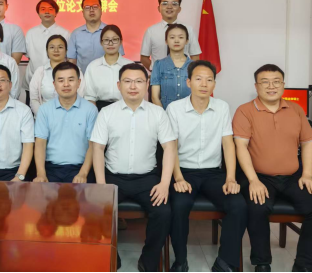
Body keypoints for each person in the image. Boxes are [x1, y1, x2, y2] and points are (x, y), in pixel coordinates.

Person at [233, 64, 312, 273]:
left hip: (293, 176)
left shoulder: (296, 110)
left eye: (276, 82)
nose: (271, 86)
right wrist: (253, 180)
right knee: (257, 207)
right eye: (265, 82)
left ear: (283, 85)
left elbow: (308, 144)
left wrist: (307, 175)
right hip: (259, 176)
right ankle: (262, 263)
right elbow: (240, 147)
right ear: (256, 86)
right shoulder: (244, 111)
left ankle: (304, 265)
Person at [91, 63, 177, 272]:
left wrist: (164, 183)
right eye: (127, 81)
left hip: (147, 179)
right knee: (96, 210)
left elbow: (169, 148)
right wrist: (102, 186)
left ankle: (149, 259)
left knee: (163, 212)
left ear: (147, 85)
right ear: (118, 85)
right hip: (113, 178)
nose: (133, 86)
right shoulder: (106, 113)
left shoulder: (158, 113)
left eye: (139, 81)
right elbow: (98, 149)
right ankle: (112, 257)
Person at [167, 61, 247, 273]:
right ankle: (180, 261)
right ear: (188, 82)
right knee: (178, 205)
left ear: (214, 84)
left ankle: (225, 262)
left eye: (209, 80)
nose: (204, 84)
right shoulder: (175, 109)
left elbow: (228, 144)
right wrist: (178, 178)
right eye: (198, 79)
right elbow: (171, 147)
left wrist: (231, 178)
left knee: (238, 205)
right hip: (184, 172)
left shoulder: (222, 107)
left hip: (213, 173)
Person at [34, 62, 98, 184]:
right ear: (54, 84)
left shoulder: (90, 109)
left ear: (79, 83)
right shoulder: (44, 109)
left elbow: (93, 145)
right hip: (51, 168)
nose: (66, 84)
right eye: (61, 80)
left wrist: (83, 173)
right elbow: (40, 143)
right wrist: (41, 173)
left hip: (81, 168)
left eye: (71, 80)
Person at [23, 0, 71, 105]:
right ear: (38, 14)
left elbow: (67, 57)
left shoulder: (65, 33)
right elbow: (29, 56)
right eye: (43, 9)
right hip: (33, 81)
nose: (47, 12)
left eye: (50, 9)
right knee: (33, 111)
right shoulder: (30, 33)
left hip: (59, 83)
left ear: (56, 13)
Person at [140, 0, 201, 71]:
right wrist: (156, 72)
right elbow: (144, 58)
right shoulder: (151, 31)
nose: (169, 7)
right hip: (159, 77)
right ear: (159, 8)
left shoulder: (189, 30)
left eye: (174, 4)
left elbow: (195, 56)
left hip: (183, 76)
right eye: (165, 3)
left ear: (179, 9)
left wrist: (188, 73)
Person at [30, 35, 85, 115]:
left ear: (66, 51)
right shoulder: (40, 72)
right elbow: (34, 99)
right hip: (44, 116)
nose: (56, 50)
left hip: (71, 116)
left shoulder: (76, 70)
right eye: (52, 47)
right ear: (47, 51)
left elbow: (80, 96)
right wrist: (43, 117)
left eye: (60, 47)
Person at [68, 0, 125, 74]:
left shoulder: (111, 32)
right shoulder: (75, 34)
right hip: (83, 78)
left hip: (109, 76)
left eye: (95, 7)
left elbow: (120, 58)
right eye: (87, 7)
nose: (91, 10)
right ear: (82, 12)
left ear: (101, 10)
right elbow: (72, 61)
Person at [84, 25, 134, 112]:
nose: (110, 43)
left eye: (114, 39)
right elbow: (89, 97)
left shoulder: (131, 66)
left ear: (121, 41)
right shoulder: (93, 66)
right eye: (106, 40)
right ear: (101, 42)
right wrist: (96, 116)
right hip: (99, 110)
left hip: (127, 109)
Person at [151, 24, 193, 110]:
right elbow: (155, 97)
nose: (176, 41)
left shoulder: (195, 66)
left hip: (190, 115)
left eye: (181, 37)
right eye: (172, 37)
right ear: (166, 41)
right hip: (165, 114)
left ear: (186, 41)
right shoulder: (159, 65)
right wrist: (164, 116)